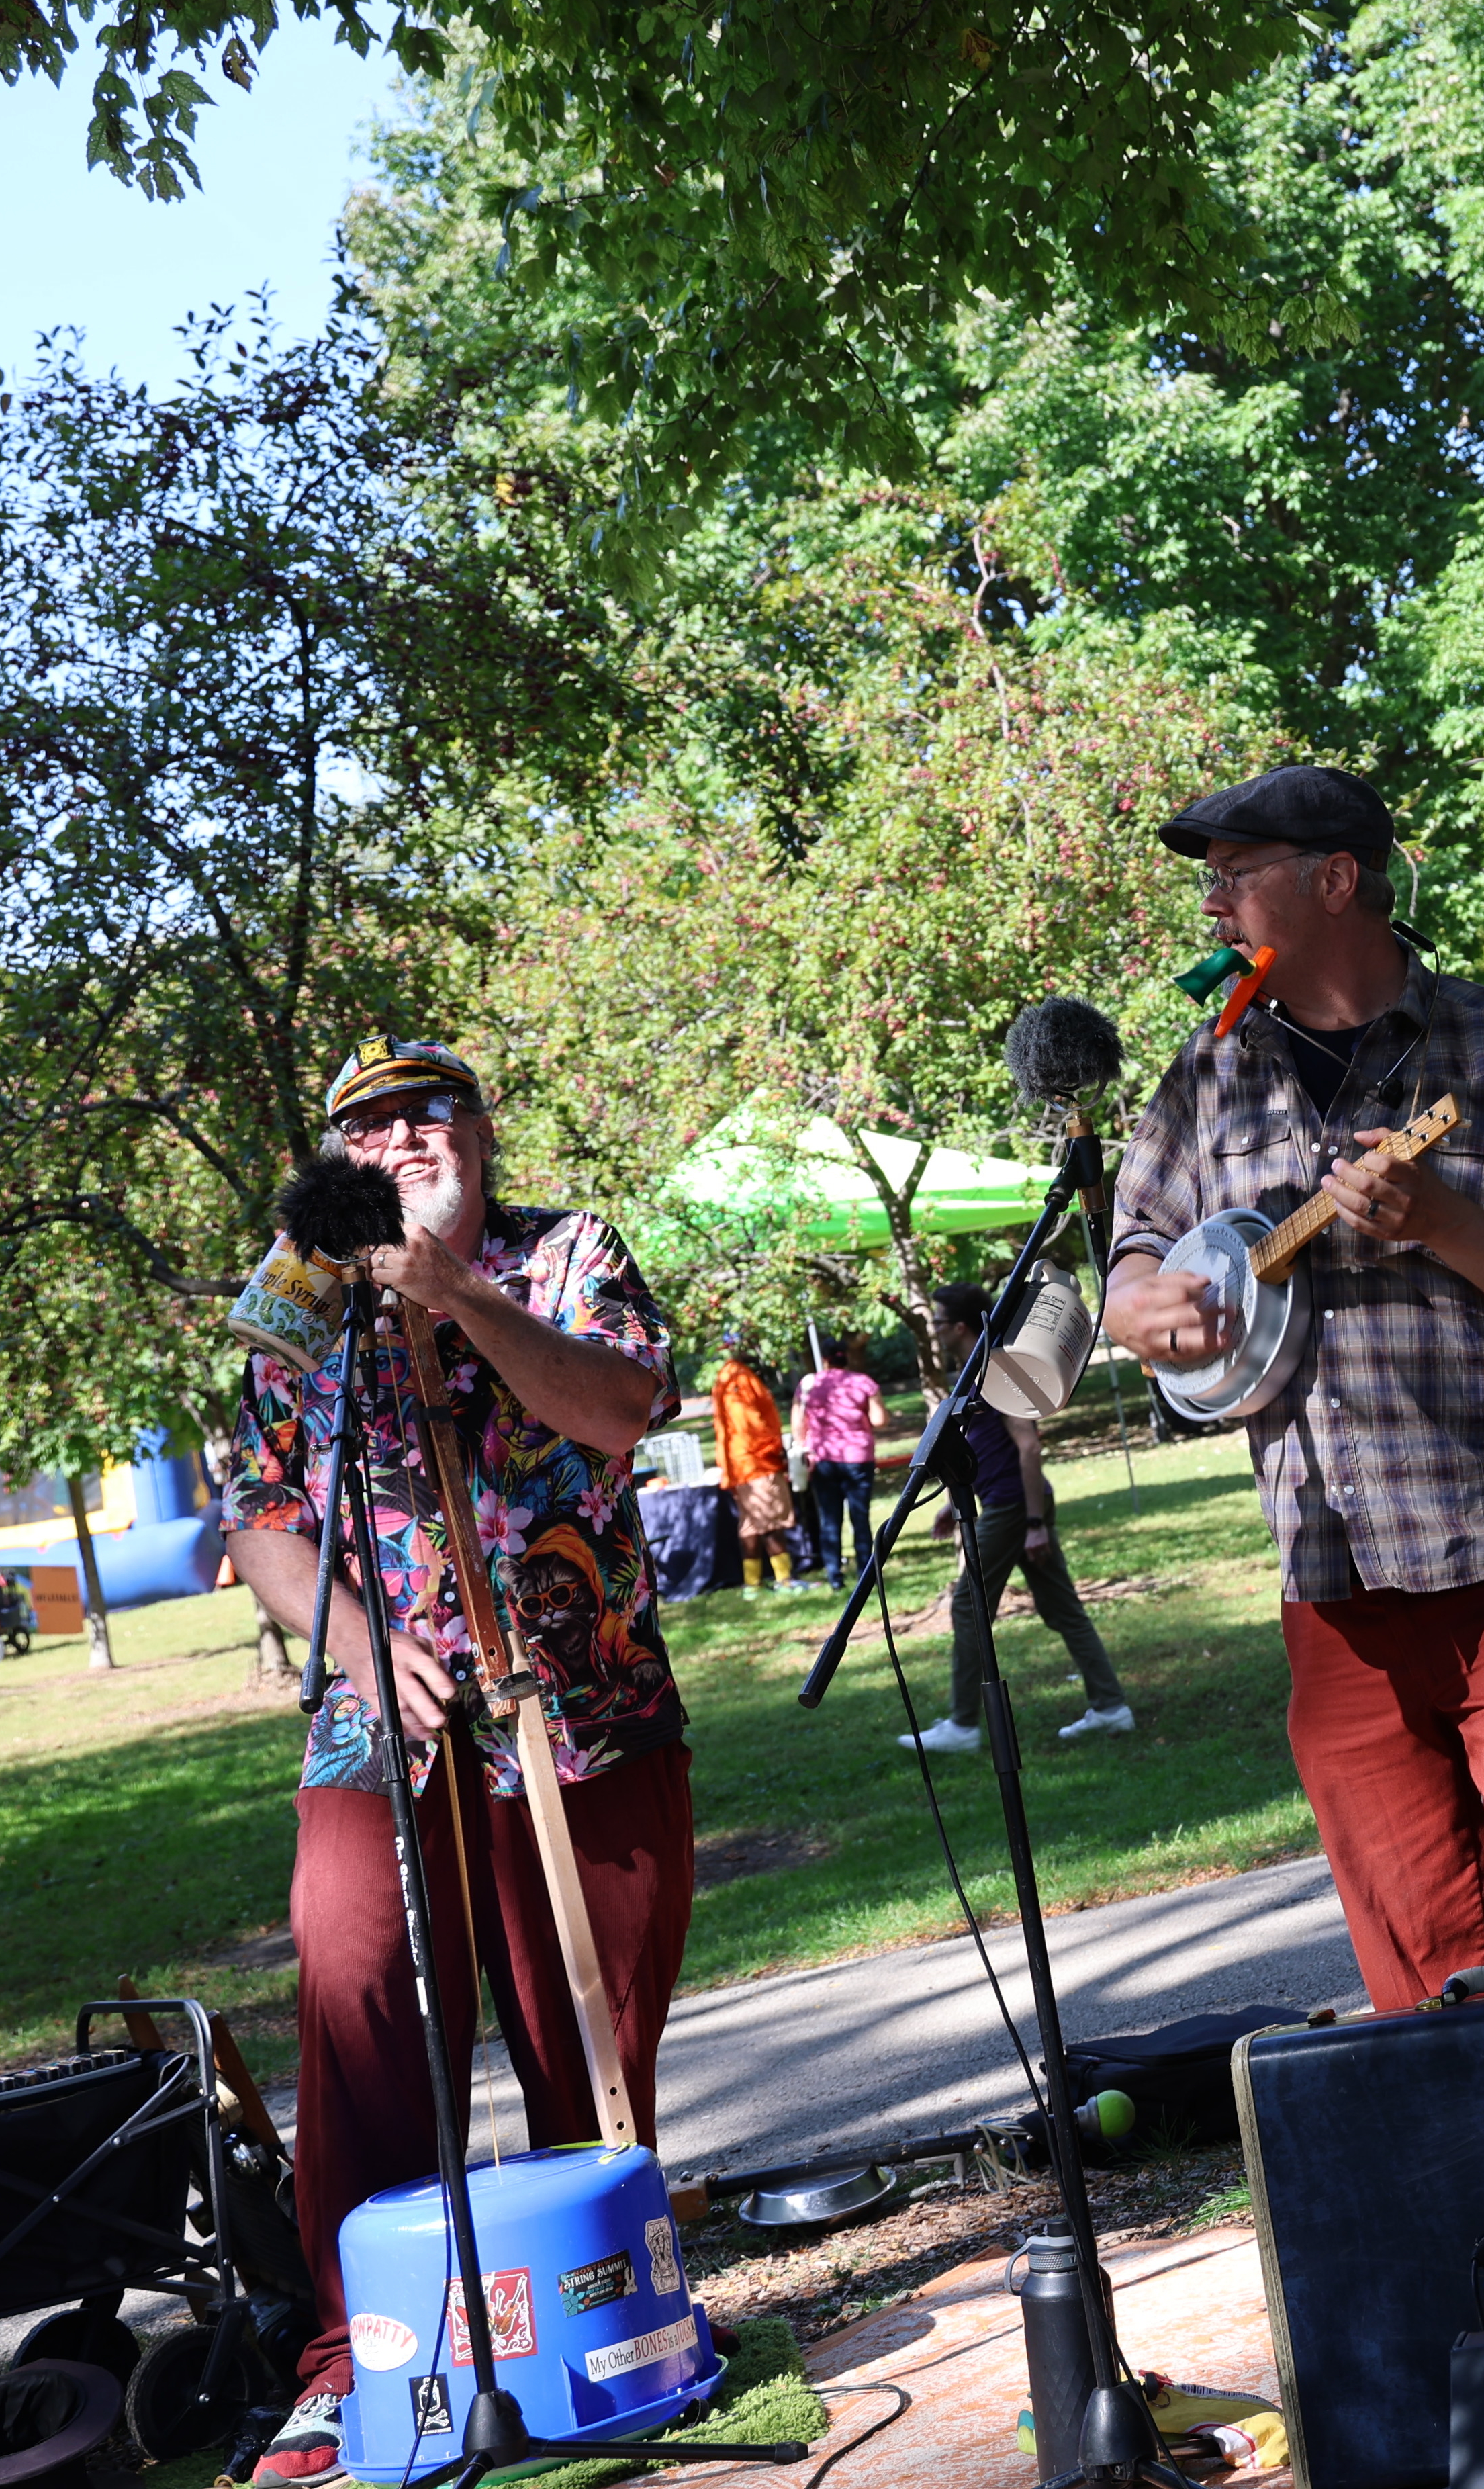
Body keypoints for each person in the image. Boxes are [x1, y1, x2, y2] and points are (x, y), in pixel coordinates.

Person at [1102, 764, 1484, 2013]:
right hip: (1331, 1571)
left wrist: (1448, 1222)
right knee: (1413, 1951)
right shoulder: (1210, 1073)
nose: (1214, 908)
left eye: (1235, 876)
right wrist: (1139, 1304)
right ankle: (1481, 2190)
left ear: (1337, 879)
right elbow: (1134, 1247)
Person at [224, 1038, 692, 2489]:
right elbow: (257, 1516)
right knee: (357, 1979)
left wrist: (459, 1296)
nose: (403, 1135)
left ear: (484, 1131)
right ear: (336, 1156)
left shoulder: (565, 1254)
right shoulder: (294, 1294)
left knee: (587, 2023)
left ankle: (601, 2314)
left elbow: (618, 1412)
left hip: (582, 1695)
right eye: (367, 1121)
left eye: (431, 1111)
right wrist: (361, 1644)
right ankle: (352, 2353)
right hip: (383, 1715)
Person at [900, 1282, 1131, 1753]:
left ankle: (963, 1725)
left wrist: (1032, 1524)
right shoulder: (978, 1366)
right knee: (1062, 1607)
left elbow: (1027, 1445)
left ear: (959, 1326)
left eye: (939, 1322)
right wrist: (953, 1501)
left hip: (1014, 1509)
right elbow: (991, 1446)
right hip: (1012, 1504)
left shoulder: (998, 1366)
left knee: (967, 1606)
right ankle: (1111, 1707)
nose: (936, 1330)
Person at [708, 1334, 810, 1585]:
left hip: (742, 1464)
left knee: (752, 1525)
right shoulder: (737, 1378)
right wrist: (774, 1448)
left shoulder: (731, 1375)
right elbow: (748, 1424)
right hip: (756, 1461)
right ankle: (785, 1580)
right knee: (771, 1520)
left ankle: (753, 1584)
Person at [790, 1335, 886, 1589]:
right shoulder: (863, 1383)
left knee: (830, 1520)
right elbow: (879, 1420)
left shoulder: (809, 1385)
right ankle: (866, 1576)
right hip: (858, 1458)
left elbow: (798, 1422)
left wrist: (804, 1446)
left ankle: (835, 1577)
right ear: (847, 1357)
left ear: (824, 1359)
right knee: (860, 1518)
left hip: (823, 1459)